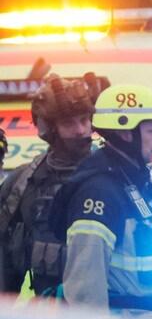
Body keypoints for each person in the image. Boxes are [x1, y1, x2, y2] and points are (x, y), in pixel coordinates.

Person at [52, 83, 152, 319]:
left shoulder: (141, 185)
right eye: (151, 131)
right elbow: (85, 293)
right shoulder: (98, 194)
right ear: (126, 133)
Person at [0, 73, 104, 297]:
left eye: (85, 120)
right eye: (69, 123)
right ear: (48, 129)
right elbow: (5, 264)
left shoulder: (114, 176)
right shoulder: (22, 184)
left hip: (107, 318)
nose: (81, 131)